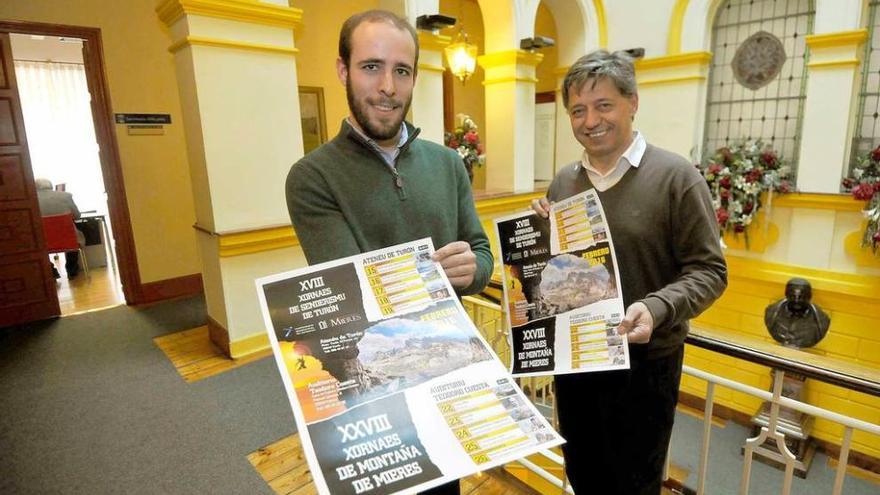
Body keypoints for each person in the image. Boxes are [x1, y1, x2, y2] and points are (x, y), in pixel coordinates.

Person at [285, 10, 494, 495]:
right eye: (371, 67)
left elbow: (481, 253)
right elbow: (349, 294)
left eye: (402, 71)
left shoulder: (447, 164)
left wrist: (473, 269)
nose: (388, 87)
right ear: (343, 70)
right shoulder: (312, 177)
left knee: (447, 487)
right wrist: (432, 277)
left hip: (448, 376)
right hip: (376, 387)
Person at [531, 50, 727, 494]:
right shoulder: (565, 180)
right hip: (577, 362)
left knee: (634, 485)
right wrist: (539, 237)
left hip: (645, 368)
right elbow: (563, 268)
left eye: (604, 105)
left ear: (633, 102)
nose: (590, 120)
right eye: (578, 110)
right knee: (582, 475)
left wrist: (657, 308)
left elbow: (710, 270)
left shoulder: (677, 177)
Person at [35, 178, 84, 279]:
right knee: (73, 237)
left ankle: (51, 271)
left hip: (44, 242)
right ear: (51, 186)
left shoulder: (31, 199)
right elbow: (77, 216)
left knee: (37, 243)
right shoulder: (66, 196)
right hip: (68, 240)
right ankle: (72, 270)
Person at [764, 277, 830, 348]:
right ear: (786, 295)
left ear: (809, 297)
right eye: (793, 296)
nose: (797, 301)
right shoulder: (771, 313)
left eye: (801, 297)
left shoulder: (822, 321)